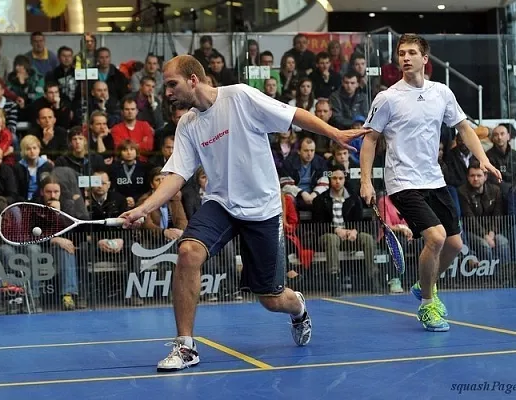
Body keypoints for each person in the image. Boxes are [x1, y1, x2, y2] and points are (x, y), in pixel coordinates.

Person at [120, 55, 370, 372]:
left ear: (193, 80)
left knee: (271, 298)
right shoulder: (188, 124)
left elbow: (294, 114)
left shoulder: (239, 96)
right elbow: (177, 176)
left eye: (172, 84)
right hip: (221, 204)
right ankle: (185, 347)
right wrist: (145, 207)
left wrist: (334, 133)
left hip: (262, 209)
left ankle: (298, 307)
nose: (167, 91)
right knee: (188, 251)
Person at [358, 34, 501, 333]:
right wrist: (366, 182)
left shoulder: (441, 93)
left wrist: (483, 160)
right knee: (435, 238)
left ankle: (425, 284)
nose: (405, 57)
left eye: (412, 52)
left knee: (454, 243)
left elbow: (464, 127)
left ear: (425, 59)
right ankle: (426, 304)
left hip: (434, 179)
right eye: (401, 53)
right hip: (402, 181)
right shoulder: (387, 98)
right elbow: (370, 140)